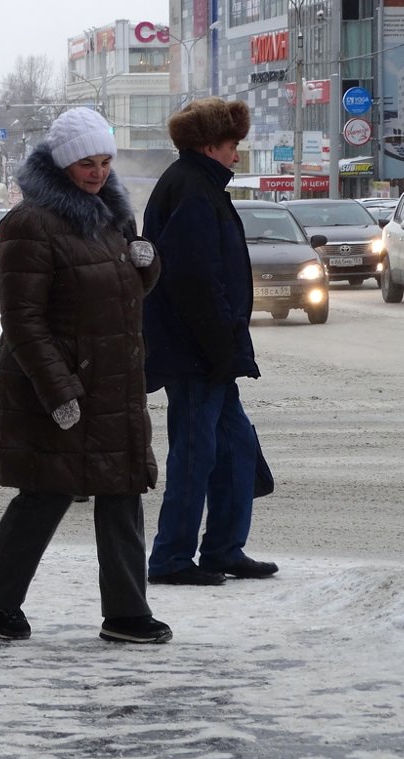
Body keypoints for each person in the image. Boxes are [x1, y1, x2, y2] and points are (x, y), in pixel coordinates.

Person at [0, 107, 170, 645]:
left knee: (122, 489)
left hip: (111, 382)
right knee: (46, 491)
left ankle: (126, 613)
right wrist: (59, 390)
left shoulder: (109, 214)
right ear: (62, 162)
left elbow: (120, 297)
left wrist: (145, 265)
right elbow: (23, 320)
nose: (98, 172)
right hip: (60, 382)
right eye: (86, 162)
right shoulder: (29, 223)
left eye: (105, 161)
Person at [141, 97, 278, 586]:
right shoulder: (193, 190)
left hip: (208, 352)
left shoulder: (199, 185)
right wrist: (224, 351)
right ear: (209, 145)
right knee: (195, 454)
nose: (237, 156)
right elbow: (195, 280)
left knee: (237, 449)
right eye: (232, 145)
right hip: (197, 355)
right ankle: (172, 559)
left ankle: (222, 548)